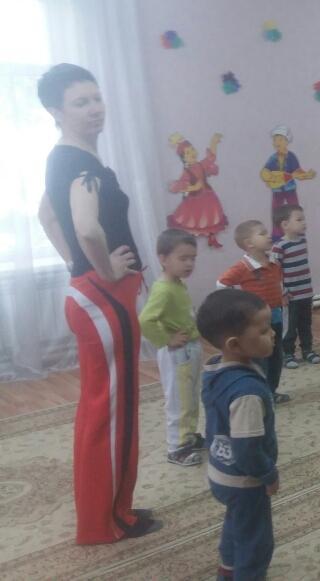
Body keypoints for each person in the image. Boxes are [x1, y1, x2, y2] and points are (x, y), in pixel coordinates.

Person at [37, 63, 161, 543]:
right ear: (55, 111)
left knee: (104, 408)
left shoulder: (67, 157)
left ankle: (109, 510)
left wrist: (77, 265)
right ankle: (108, 522)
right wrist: (104, 270)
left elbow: (47, 215)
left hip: (93, 295)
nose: (94, 109)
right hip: (103, 298)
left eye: (96, 98)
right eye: (80, 102)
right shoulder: (80, 163)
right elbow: (87, 226)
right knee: (112, 411)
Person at [197, 289, 280, 581]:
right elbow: (247, 449)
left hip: (220, 470)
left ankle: (228, 569)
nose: (273, 333)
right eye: (263, 330)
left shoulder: (215, 370)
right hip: (245, 480)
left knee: (237, 526)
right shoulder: (247, 393)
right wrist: (268, 474)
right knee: (256, 542)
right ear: (235, 344)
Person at [139, 229, 206, 466]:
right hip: (178, 353)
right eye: (183, 258)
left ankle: (188, 437)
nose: (189, 264)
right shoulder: (164, 288)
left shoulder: (177, 284)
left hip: (189, 349)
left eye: (192, 258)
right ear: (163, 258)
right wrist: (166, 339)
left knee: (191, 396)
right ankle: (177, 447)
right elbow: (145, 320)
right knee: (179, 400)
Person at [218, 220, 291, 403]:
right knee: (260, 358)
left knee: (276, 356)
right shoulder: (242, 267)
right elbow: (222, 283)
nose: (268, 236)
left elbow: (277, 283)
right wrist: (238, 306)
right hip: (256, 323)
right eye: (262, 233)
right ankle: (259, 393)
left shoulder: (274, 262)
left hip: (275, 316)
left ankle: (271, 391)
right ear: (249, 243)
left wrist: (283, 294)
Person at [271, 204, 320, 369]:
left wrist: (309, 291)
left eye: (303, 219)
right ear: (285, 225)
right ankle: (288, 353)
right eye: (299, 219)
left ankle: (307, 350)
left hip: (306, 293)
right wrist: (282, 292)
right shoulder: (279, 247)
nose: (304, 222)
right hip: (290, 296)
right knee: (290, 326)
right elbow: (274, 272)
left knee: (306, 324)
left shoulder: (302, 241)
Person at [167, 132, 228, 248]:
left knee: (211, 217)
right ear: (183, 158)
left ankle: (212, 238)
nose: (192, 153)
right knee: (193, 220)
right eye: (188, 153)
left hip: (208, 195)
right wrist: (194, 187)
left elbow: (210, 158)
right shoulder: (187, 171)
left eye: (192, 150)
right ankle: (190, 242)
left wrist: (213, 143)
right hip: (195, 199)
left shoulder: (200, 165)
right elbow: (181, 186)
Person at [260, 125, 316, 239]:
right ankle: (277, 235)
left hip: (290, 189)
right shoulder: (273, 158)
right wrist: (270, 177)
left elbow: (297, 171)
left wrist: (306, 175)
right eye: (275, 140)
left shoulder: (291, 157)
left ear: (287, 141)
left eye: (280, 139)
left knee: (295, 211)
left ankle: (297, 232)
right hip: (277, 190)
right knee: (276, 212)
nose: (277, 142)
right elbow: (265, 172)